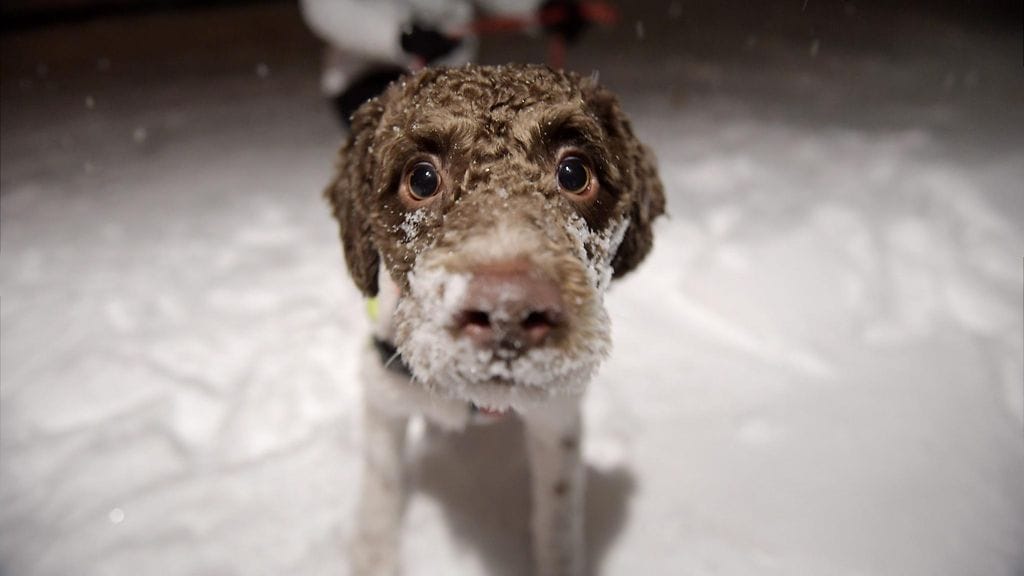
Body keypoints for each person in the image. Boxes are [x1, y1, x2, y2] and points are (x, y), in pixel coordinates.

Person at [299, 0, 593, 128]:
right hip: (368, 78)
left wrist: (541, 9)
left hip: (448, 81)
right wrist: (396, 36)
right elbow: (325, 7)